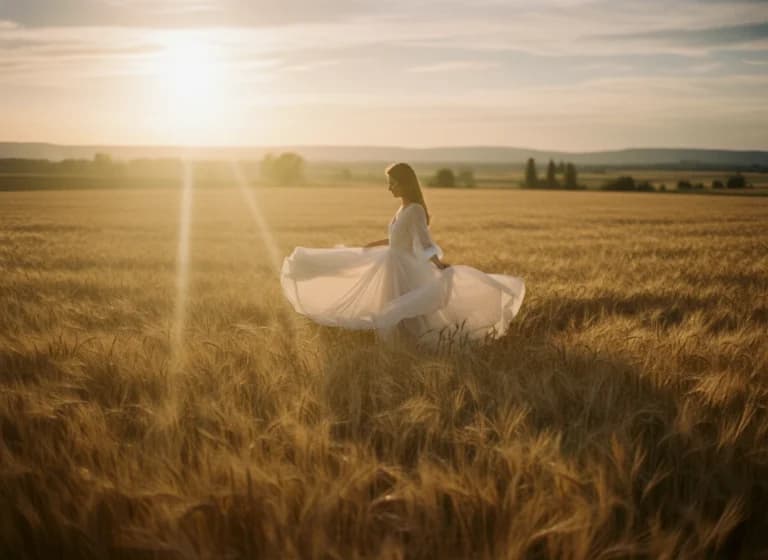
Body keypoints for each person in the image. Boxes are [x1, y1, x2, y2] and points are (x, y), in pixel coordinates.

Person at [280, 162, 525, 345]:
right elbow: (398, 238)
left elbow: (423, 241)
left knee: (402, 309)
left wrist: (438, 264)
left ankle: (408, 346)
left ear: (404, 183)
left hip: (402, 266)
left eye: (392, 183)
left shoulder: (415, 209)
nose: (389, 188)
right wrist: (373, 244)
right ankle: (398, 344)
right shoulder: (403, 208)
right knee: (391, 305)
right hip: (391, 261)